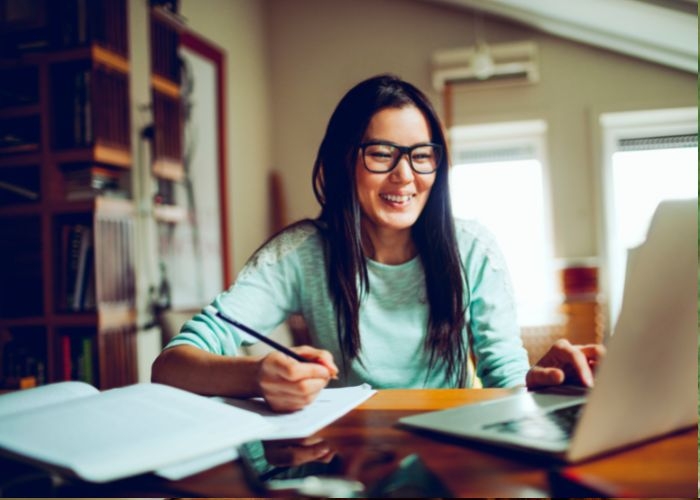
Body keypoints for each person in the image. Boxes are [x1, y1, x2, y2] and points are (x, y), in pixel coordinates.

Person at [151, 74, 604, 412]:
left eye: (421, 155)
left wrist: (545, 379)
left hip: (448, 451)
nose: (405, 175)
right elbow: (170, 367)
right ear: (345, 160)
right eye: (382, 154)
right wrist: (256, 373)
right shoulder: (301, 254)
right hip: (344, 456)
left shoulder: (473, 251)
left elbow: (505, 381)